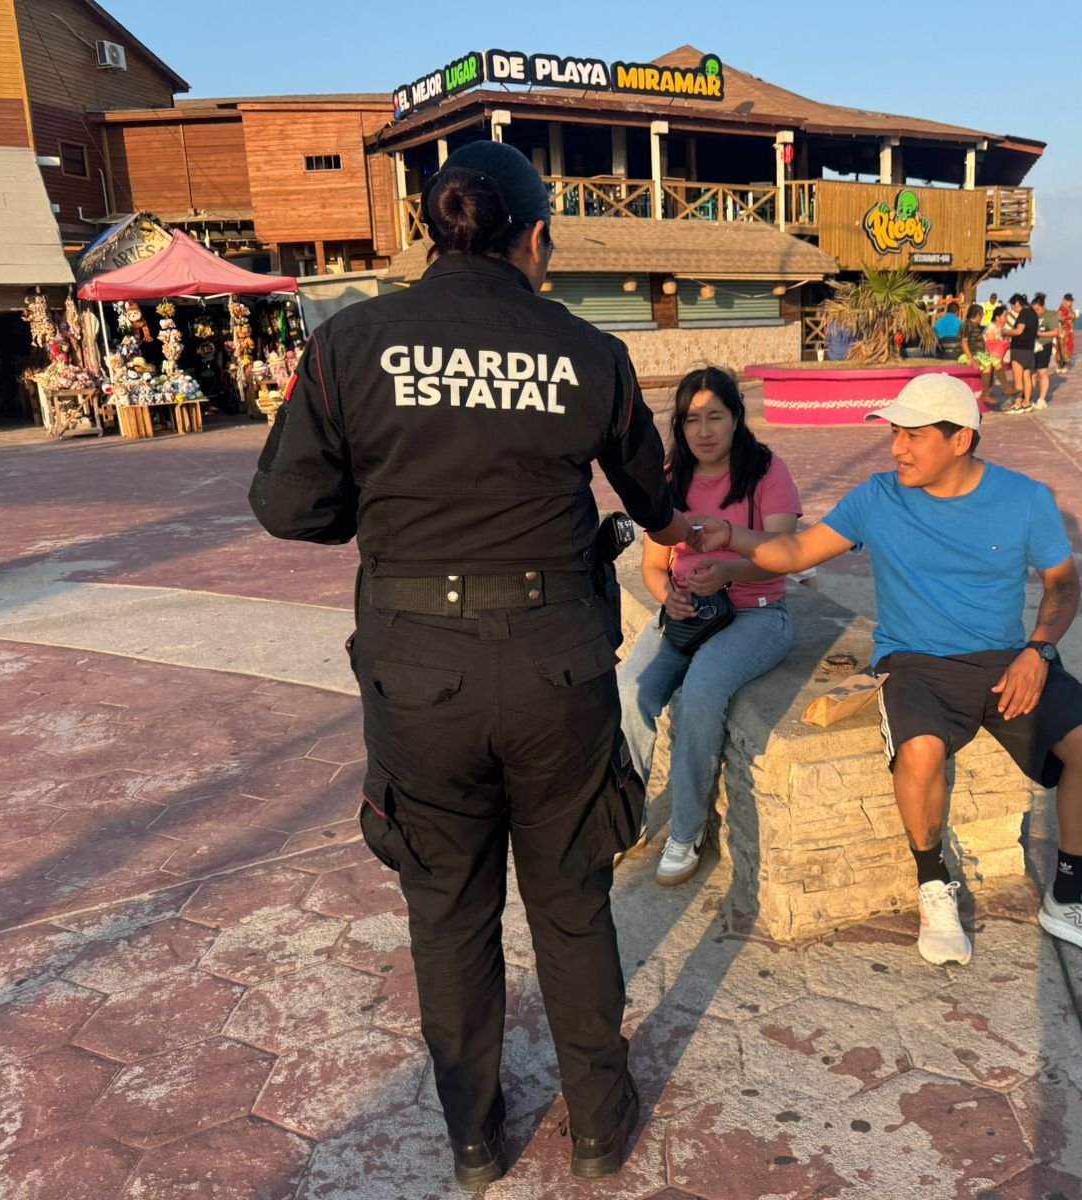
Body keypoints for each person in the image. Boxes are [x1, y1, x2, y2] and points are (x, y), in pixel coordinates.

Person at [248, 141, 691, 1188]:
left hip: (416, 673)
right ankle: (597, 1129)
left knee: (447, 918)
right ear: (535, 237)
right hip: (557, 669)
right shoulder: (586, 350)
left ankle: (472, 1139)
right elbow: (656, 503)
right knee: (572, 905)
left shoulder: (352, 340)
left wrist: (395, 509)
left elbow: (287, 507)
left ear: (429, 229)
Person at [686, 374, 1082, 969]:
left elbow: (1062, 584)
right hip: (914, 661)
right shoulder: (877, 497)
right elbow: (796, 553)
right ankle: (934, 885)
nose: (897, 449)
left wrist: (1038, 651)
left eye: (912, 436)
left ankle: (1070, 896)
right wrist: (734, 540)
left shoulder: (1025, 499)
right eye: (895, 435)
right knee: (922, 750)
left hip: (1005, 657)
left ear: (961, 440)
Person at [620, 367, 800, 885]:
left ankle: (687, 830)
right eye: (691, 419)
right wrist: (669, 598)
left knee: (701, 690)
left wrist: (729, 569)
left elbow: (784, 557)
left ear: (737, 418)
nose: (703, 431)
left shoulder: (767, 471)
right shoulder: (670, 476)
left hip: (757, 614)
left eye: (714, 416)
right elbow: (654, 568)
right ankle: (624, 817)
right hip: (687, 617)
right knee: (630, 689)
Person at [1005, 294, 1038, 413]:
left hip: (1019, 349)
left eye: (1012, 306)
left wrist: (1005, 332)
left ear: (1017, 304)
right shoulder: (1033, 313)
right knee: (1027, 377)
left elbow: (1019, 330)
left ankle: (1018, 404)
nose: (1012, 309)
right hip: (1029, 349)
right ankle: (1027, 403)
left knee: (1018, 379)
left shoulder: (1023, 313)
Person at [1033, 293, 1060, 408]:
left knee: (1042, 372)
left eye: (1037, 309)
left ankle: (1042, 399)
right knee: (1030, 373)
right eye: (1034, 309)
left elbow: (1055, 332)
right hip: (1032, 346)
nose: (1036, 312)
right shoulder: (1032, 316)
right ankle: (1030, 396)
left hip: (1044, 345)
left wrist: (1041, 333)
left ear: (1043, 307)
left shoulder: (1051, 315)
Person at [1055, 294, 1077, 373]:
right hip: (1063, 332)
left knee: (1068, 347)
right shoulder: (1062, 309)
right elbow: (1060, 317)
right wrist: (1070, 316)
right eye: (1068, 301)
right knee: (1062, 348)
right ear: (1064, 301)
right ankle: (1061, 365)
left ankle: (1064, 364)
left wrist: (1073, 316)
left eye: (1071, 301)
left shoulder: (1069, 308)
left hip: (1069, 332)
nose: (1070, 303)